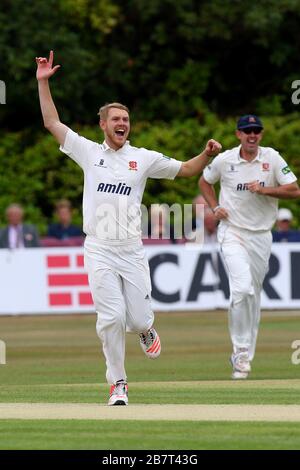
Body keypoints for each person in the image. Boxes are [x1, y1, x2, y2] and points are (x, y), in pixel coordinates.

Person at [36, 51, 222, 405]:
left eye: (126, 119)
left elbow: (185, 170)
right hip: (99, 247)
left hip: (131, 248)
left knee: (135, 319)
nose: (123, 123)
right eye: (116, 119)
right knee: (110, 317)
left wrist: (207, 154)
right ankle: (117, 383)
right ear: (103, 125)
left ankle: (146, 328)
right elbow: (51, 123)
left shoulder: (143, 158)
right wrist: (43, 82)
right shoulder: (89, 152)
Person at [199, 114, 300, 379]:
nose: (252, 135)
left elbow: (294, 190)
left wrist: (265, 190)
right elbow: (204, 181)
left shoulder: (272, 158)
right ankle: (240, 353)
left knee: (253, 296)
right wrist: (215, 207)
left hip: (261, 235)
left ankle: (245, 355)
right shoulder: (225, 159)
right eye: (247, 131)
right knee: (241, 289)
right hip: (232, 232)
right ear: (238, 135)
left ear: (261, 134)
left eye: (256, 131)